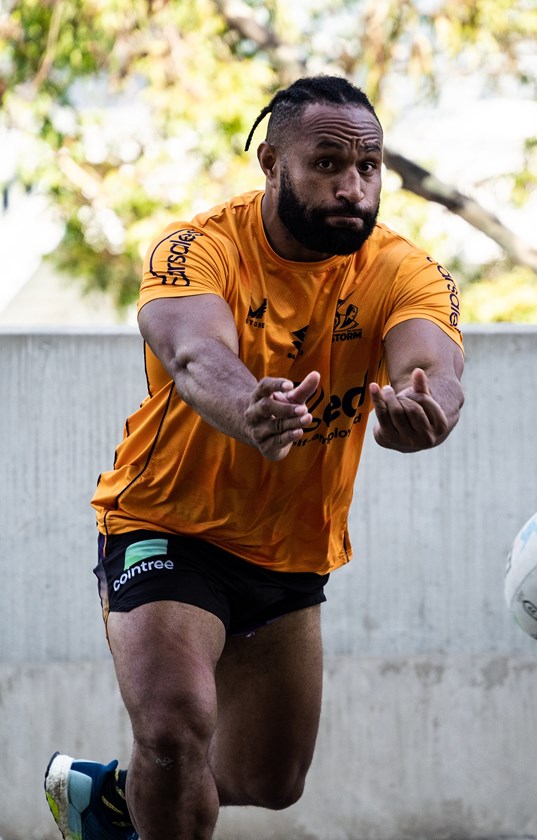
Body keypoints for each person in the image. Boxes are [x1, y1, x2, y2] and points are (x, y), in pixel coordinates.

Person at [44, 74, 465, 840]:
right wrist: (250, 409)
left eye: (368, 168)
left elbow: (433, 365)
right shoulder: (195, 248)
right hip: (166, 527)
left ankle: (112, 796)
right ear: (271, 163)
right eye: (328, 163)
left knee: (268, 781)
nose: (353, 186)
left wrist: (426, 410)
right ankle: (152, 781)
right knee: (176, 731)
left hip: (290, 553)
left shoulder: (404, 269)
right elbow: (195, 353)